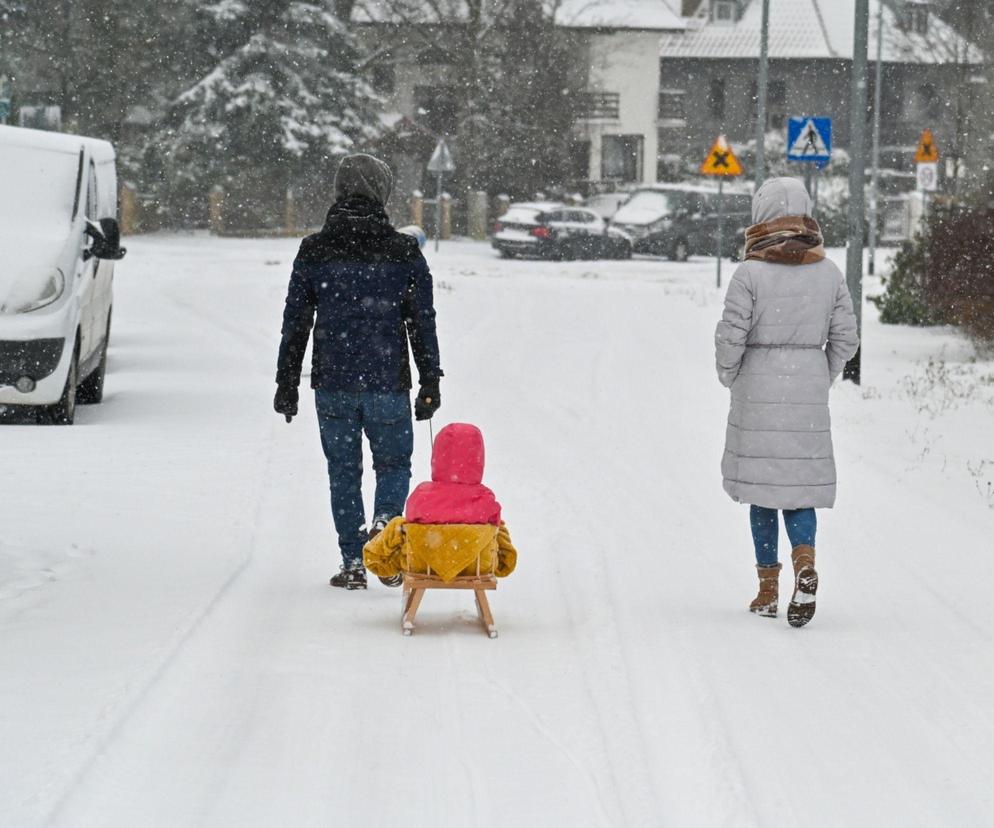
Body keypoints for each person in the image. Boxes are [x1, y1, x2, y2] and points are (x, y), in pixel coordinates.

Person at [274, 153, 443, 590]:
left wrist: (287, 383)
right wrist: (429, 380)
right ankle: (385, 530)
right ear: (383, 193)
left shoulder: (314, 250)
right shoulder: (404, 252)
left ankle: (353, 562)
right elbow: (421, 321)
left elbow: (296, 322)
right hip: (388, 381)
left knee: (343, 471)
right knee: (393, 464)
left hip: (333, 382)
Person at [715, 177, 859, 627]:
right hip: (807, 392)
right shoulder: (829, 273)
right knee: (798, 493)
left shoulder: (749, 274)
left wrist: (731, 375)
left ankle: (766, 591)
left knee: (761, 492)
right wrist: (821, 374)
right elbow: (846, 339)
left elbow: (730, 338)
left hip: (758, 391)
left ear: (760, 217)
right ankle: (805, 565)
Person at [363, 423, 517, 583]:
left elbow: (410, 521)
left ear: (437, 457)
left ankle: (384, 561)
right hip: (476, 567)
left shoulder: (422, 495)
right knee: (497, 528)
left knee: (400, 525)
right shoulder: (485, 498)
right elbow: (503, 550)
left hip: (423, 565)